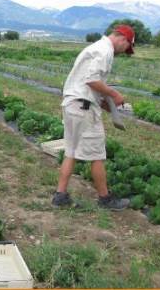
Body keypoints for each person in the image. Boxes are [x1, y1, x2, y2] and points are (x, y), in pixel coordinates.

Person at [53, 25, 135, 211]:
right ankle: (105, 199)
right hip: (84, 108)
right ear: (123, 38)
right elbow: (91, 80)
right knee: (97, 154)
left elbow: (87, 82)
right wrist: (114, 95)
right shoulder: (105, 50)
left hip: (73, 104)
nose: (124, 52)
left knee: (71, 151)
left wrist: (103, 101)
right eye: (127, 47)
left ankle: (60, 195)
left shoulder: (95, 47)